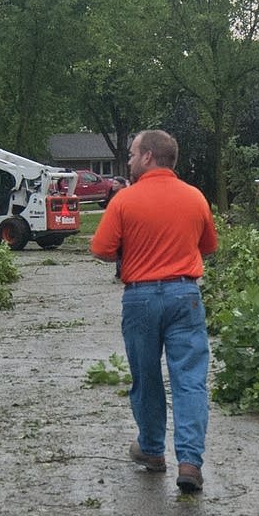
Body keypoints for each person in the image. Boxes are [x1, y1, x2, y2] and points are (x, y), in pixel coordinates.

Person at [88, 129, 218, 493]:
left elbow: (100, 249)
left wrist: (131, 250)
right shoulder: (195, 197)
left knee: (146, 378)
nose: (129, 160)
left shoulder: (125, 201)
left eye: (132, 154)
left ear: (148, 157)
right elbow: (208, 246)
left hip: (140, 298)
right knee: (189, 380)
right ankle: (189, 463)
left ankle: (152, 450)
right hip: (185, 295)